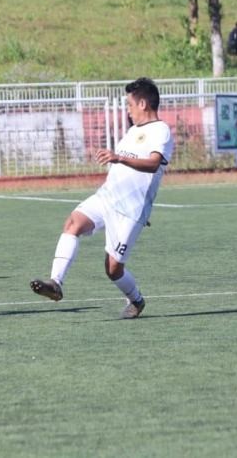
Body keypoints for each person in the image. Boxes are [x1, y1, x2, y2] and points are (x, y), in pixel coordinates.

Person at [29, 78, 174, 319]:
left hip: (130, 211)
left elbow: (153, 164)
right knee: (72, 223)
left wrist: (119, 158)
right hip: (106, 197)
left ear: (143, 103)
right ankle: (56, 283)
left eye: (129, 104)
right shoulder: (132, 131)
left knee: (113, 269)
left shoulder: (161, 130)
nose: (127, 109)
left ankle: (136, 300)